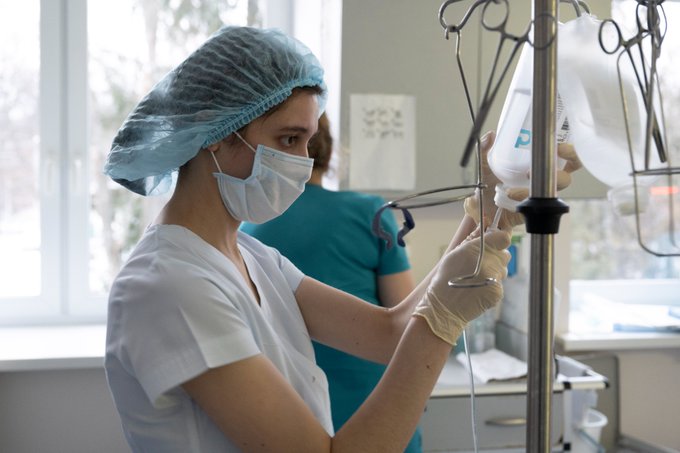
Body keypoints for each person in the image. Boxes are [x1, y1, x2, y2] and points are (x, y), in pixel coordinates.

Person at [102, 25, 576, 452]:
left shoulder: (250, 256)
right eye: (289, 140)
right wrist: (443, 320)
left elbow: (387, 333)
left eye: (307, 141)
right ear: (215, 135)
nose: (304, 162)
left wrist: (490, 211)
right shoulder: (169, 285)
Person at [240, 113, 422, 452]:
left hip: (294, 417)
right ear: (327, 149)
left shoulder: (250, 229)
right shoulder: (371, 213)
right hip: (378, 411)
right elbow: (409, 324)